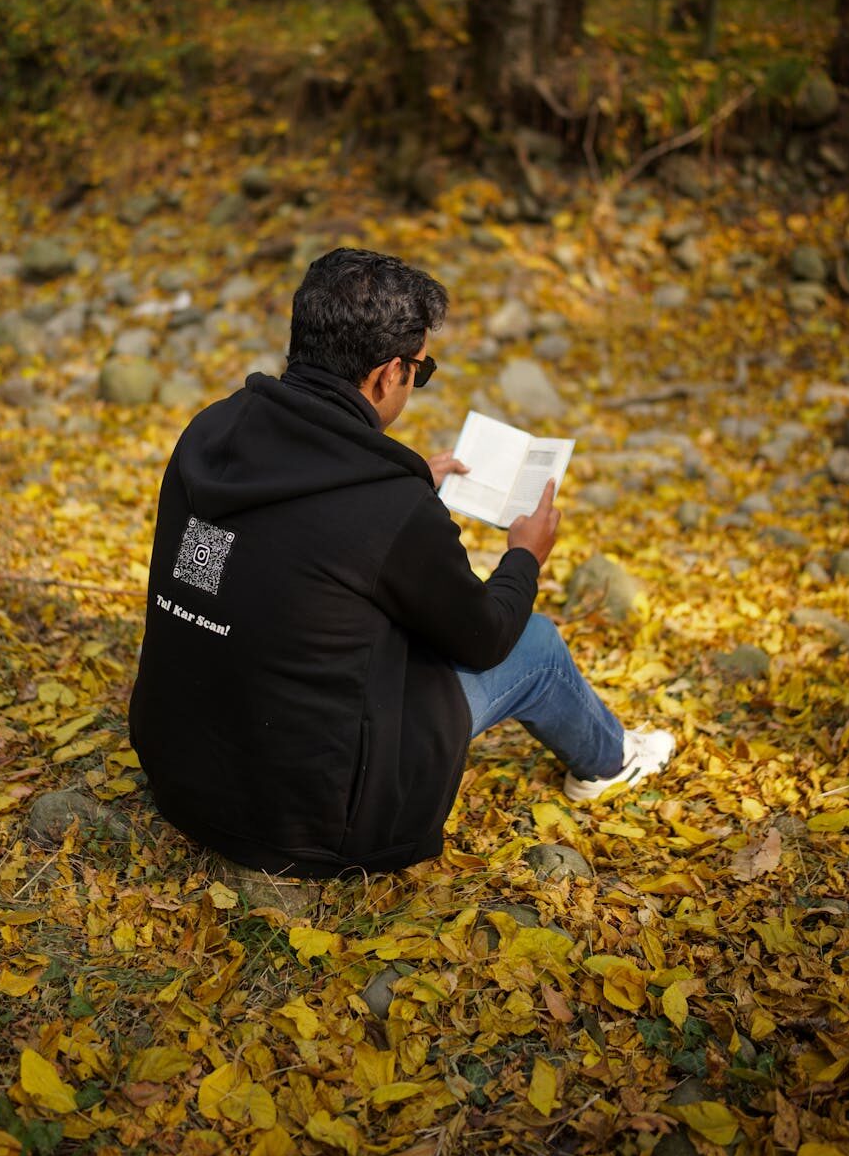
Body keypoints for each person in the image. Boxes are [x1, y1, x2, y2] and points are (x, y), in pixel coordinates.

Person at [129, 247, 674, 878]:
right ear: (390, 373)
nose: (415, 381)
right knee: (536, 643)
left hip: (181, 774)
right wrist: (524, 556)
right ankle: (611, 762)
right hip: (310, 821)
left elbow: (296, 542)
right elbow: (485, 637)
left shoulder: (213, 429)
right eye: (422, 369)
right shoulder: (387, 506)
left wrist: (407, 482)